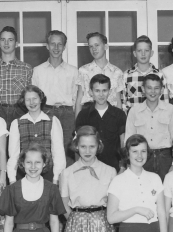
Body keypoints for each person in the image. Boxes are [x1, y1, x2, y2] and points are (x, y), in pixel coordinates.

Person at [33, 30, 79, 165]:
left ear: (64, 47)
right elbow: (35, 97)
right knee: (46, 149)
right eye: (53, 44)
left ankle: (65, 184)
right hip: (46, 111)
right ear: (47, 46)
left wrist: (75, 119)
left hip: (67, 113)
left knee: (67, 151)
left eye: (60, 44)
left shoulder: (73, 71)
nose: (56, 48)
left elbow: (76, 98)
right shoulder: (38, 70)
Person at [124, 74, 173, 180]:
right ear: (143, 89)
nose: (152, 92)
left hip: (165, 158)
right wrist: (129, 163)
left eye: (156, 88)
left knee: (165, 190)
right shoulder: (134, 111)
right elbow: (128, 139)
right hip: (142, 157)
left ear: (162, 90)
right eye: (149, 88)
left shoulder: (170, 109)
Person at [7, 85, 66, 184]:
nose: (32, 103)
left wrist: (56, 178)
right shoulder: (16, 123)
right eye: (28, 100)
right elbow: (13, 155)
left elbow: (58, 152)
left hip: (47, 173)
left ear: (41, 100)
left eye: (34, 99)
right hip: (24, 173)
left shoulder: (53, 121)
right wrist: (12, 179)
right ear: (23, 102)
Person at [74, 74, 126, 171]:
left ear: (110, 92)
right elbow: (77, 143)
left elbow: (123, 143)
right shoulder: (83, 115)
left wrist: (122, 166)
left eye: (104, 90)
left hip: (113, 167)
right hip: (88, 167)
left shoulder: (119, 114)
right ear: (90, 92)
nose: (101, 94)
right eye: (97, 91)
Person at [0, 26, 31, 130]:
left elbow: (30, 96)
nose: (6, 43)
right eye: (3, 40)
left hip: (20, 112)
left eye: (10, 40)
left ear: (16, 44)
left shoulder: (26, 68)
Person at [75, 32, 124, 116]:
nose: (94, 49)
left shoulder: (117, 72)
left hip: (111, 116)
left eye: (97, 45)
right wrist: (78, 124)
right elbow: (79, 99)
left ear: (105, 46)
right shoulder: (84, 70)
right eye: (91, 46)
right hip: (89, 115)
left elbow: (118, 100)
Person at [124, 35, 168, 113]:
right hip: (134, 120)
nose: (143, 54)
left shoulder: (160, 75)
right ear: (134, 53)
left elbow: (165, 101)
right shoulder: (127, 75)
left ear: (151, 53)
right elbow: (124, 102)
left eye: (146, 50)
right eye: (139, 51)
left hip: (155, 119)